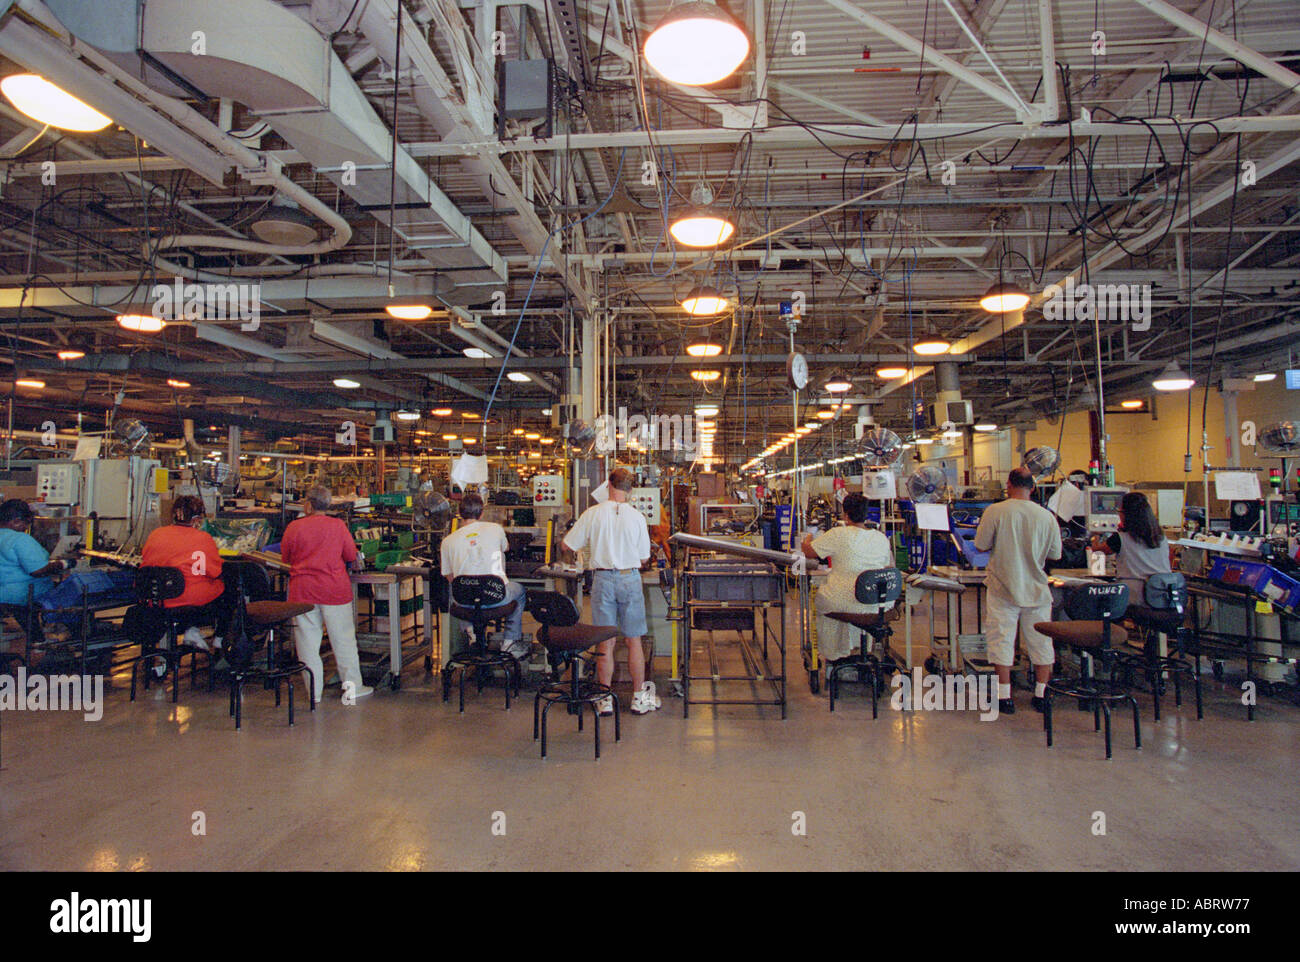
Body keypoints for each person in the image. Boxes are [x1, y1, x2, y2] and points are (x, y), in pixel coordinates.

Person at [561, 467, 657, 716]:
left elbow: (566, 544)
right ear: (631, 489)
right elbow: (645, 557)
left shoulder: (592, 513)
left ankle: (605, 700)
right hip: (629, 578)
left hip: (603, 578)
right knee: (634, 640)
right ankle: (639, 698)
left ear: (608, 485)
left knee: (605, 642)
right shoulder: (637, 517)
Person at [973, 467, 1063, 715]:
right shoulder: (1047, 517)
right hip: (1036, 589)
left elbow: (980, 545)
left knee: (1001, 640)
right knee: (1041, 642)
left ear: (1008, 485)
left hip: (1003, 588)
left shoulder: (995, 511)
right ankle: (1042, 694)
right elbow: (1056, 554)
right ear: (1033, 488)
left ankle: (1004, 697)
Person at [280, 485, 372, 704]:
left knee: (307, 643)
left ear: (308, 505)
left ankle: (314, 693)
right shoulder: (337, 526)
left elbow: (285, 557)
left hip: (303, 591)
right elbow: (351, 554)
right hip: (334, 589)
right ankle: (353, 688)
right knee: (343, 641)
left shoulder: (294, 527)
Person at [800, 492, 895, 666]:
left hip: (843, 604)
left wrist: (806, 537)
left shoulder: (838, 534)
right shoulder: (881, 538)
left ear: (845, 514)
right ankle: (859, 649)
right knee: (854, 605)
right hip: (877, 606)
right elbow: (889, 566)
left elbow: (809, 551)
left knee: (824, 599)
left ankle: (835, 654)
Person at [440, 492, 528, 660]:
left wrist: (471, 583)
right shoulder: (495, 528)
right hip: (496, 597)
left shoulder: (447, 541)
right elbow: (506, 549)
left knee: (456, 592)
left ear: (459, 513)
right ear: (481, 513)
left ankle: (472, 634)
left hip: (465, 603)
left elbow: (450, 577)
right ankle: (510, 642)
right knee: (520, 591)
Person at [136, 495, 230, 651]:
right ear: (197, 519)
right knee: (225, 588)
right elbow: (214, 571)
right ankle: (219, 639)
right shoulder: (203, 538)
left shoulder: (156, 534)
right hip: (187, 600)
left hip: (156, 600)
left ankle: (190, 630)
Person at [0, 498, 67, 639]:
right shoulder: (20, 539)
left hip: (5, 593)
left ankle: (37, 638)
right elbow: (37, 570)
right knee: (72, 591)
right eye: (25, 524)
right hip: (20, 595)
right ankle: (71, 637)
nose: (25, 528)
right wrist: (63, 564)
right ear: (17, 521)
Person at [1089, 491, 1171, 600]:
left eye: (1120, 512)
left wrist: (1095, 537)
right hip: (1163, 596)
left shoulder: (1120, 538)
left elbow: (1098, 550)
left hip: (1135, 596)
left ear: (1126, 515)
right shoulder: (1161, 537)